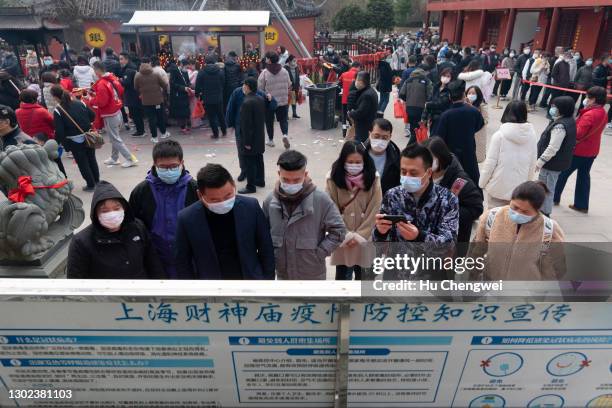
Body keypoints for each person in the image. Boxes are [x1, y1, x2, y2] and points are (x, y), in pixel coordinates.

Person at [175, 163, 275, 279]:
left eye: (228, 196)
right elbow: (182, 261)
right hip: (212, 287)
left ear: (234, 186)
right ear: (200, 195)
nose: (222, 202)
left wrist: (267, 283)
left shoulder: (251, 207)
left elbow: (266, 249)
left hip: (249, 281)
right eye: (214, 200)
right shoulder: (187, 218)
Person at [263, 150, 346, 279]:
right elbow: (263, 235)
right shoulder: (270, 201)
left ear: (305, 174)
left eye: (296, 180)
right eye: (285, 179)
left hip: (312, 275)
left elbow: (339, 231)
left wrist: (319, 253)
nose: (291, 184)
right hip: (283, 275)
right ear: (279, 174)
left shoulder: (320, 200)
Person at [67, 181, 165, 279]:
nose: (112, 214)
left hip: (140, 290)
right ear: (95, 213)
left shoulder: (137, 227)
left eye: (116, 208)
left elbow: (153, 262)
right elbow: (76, 280)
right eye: (105, 211)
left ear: (124, 209)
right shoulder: (81, 242)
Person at [469, 181, 565, 281]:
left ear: (537, 210)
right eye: (515, 207)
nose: (517, 213)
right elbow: (476, 251)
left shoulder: (549, 231)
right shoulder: (491, 217)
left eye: (525, 211)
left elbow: (556, 267)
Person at [129, 140, 198, 278]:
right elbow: (133, 225)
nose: (169, 171)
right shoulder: (142, 191)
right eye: (163, 167)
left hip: (190, 259)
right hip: (155, 259)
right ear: (155, 165)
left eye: (173, 166)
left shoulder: (194, 189)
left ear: (182, 163)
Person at [373, 143, 459, 245]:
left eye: (414, 173)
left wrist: (419, 236)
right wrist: (380, 232)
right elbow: (378, 243)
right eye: (403, 172)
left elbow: (449, 244)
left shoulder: (447, 199)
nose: (407, 177)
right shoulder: (392, 195)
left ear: (429, 173)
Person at [326, 141, 382, 280]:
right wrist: (345, 235)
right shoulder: (332, 178)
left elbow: (375, 208)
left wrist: (360, 236)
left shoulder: (374, 178)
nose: (354, 165)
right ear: (343, 161)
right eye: (350, 161)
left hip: (366, 238)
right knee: (342, 277)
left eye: (358, 162)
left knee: (364, 277)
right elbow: (330, 209)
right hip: (342, 237)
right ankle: (342, 302)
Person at [554, 86, 608, 214]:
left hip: (579, 150)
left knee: (562, 174)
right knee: (584, 177)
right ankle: (581, 204)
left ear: (593, 99)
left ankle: (553, 198)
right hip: (592, 150)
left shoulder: (589, 114)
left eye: (588, 97)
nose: (586, 100)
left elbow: (578, 133)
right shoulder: (603, 113)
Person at [423, 136, 483, 246]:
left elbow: (477, 208)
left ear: (440, 158)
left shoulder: (460, 181)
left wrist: (448, 212)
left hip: (454, 241)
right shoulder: (425, 174)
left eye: (429, 159)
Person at [479, 100, 537, 209]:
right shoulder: (531, 135)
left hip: (498, 186)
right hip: (519, 189)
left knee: (494, 219)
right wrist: (527, 184)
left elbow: (490, 163)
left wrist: (482, 183)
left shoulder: (499, 135)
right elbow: (532, 163)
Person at [51, 85, 99, 191]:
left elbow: (60, 131)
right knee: (92, 159)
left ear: (55, 97)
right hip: (88, 136)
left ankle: (91, 184)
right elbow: (92, 115)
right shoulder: (79, 102)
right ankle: (97, 181)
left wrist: (63, 145)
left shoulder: (58, 110)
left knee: (82, 163)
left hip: (74, 140)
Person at [91, 61, 138, 168]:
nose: (93, 72)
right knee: (115, 137)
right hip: (116, 110)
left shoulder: (102, 83)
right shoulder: (110, 79)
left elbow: (102, 102)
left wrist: (92, 100)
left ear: (97, 70)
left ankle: (130, 159)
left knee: (115, 138)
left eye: (94, 70)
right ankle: (114, 158)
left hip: (110, 113)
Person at [436, 80, 484, 185]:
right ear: (463, 95)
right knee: (471, 180)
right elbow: (480, 125)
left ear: (450, 97)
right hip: (469, 151)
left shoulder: (446, 115)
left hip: (451, 154)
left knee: (452, 182)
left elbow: (439, 137)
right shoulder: (473, 111)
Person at [536, 96, 576, 216]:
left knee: (546, 189)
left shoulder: (560, 126)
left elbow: (553, 148)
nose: (552, 108)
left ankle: (545, 213)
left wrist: (540, 161)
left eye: (555, 106)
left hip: (552, 164)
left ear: (562, 109)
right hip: (558, 162)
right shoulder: (569, 120)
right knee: (547, 187)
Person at [238, 77, 267, 194]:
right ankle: (260, 180)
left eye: (244, 85)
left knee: (249, 161)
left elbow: (246, 125)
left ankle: (251, 186)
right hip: (259, 136)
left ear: (248, 86)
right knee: (259, 158)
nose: (243, 87)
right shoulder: (260, 99)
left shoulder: (247, 102)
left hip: (250, 138)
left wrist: (247, 142)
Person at [258, 52, 291, 149]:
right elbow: (289, 84)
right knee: (283, 120)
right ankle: (285, 135)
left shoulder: (264, 73)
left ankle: (271, 140)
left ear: (269, 60)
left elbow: (260, 88)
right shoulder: (285, 71)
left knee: (269, 121)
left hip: (269, 102)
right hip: (283, 101)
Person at [134, 57, 170, 143]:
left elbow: (135, 87)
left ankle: (154, 137)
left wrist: (142, 91)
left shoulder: (138, 75)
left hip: (146, 101)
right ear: (149, 63)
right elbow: (164, 84)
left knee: (151, 119)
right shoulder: (155, 73)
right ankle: (163, 133)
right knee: (160, 117)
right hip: (158, 100)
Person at [196, 55, 227, 140]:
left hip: (207, 98)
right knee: (220, 115)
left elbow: (198, 85)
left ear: (205, 62)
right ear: (214, 62)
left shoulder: (202, 72)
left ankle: (215, 134)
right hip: (218, 97)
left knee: (211, 117)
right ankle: (224, 131)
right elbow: (223, 82)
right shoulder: (220, 71)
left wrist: (197, 94)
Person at [398, 66, 432, 141]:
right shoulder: (426, 80)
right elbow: (430, 95)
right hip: (422, 108)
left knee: (413, 127)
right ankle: (418, 142)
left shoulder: (408, 80)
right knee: (421, 127)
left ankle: (413, 141)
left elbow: (401, 94)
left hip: (409, 107)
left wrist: (408, 100)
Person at [347, 71, 378, 143]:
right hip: (367, 124)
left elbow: (360, 112)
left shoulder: (367, 95)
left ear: (361, 81)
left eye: (357, 80)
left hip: (364, 126)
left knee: (361, 144)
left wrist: (351, 113)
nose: (355, 82)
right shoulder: (369, 91)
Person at [119, 52, 145, 137]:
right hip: (134, 94)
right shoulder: (131, 67)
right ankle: (141, 130)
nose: (120, 61)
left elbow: (126, 82)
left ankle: (140, 131)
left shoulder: (129, 69)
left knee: (135, 113)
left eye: (121, 59)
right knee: (136, 113)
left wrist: (119, 80)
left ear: (126, 59)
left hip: (132, 95)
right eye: (120, 59)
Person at [424, 67, 452, 134]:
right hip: (433, 118)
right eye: (444, 75)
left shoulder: (450, 89)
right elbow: (429, 100)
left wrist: (429, 105)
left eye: (448, 76)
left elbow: (442, 103)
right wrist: (424, 118)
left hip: (444, 118)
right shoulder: (436, 87)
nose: (445, 78)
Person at [465, 85, 488, 163]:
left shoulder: (482, 106)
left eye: (473, 93)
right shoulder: (462, 105)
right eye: (469, 93)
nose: (471, 95)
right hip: (465, 136)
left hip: (477, 136)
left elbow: (485, 120)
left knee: (475, 160)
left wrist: (472, 108)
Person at [167, 61, 191, 134]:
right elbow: (172, 83)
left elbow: (187, 82)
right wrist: (183, 88)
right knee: (181, 112)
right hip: (178, 95)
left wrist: (189, 86)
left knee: (186, 111)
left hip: (185, 94)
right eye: (186, 66)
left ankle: (185, 126)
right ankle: (183, 127)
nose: (187, 68)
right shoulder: (175, 71)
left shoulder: (185, 72)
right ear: (181, 65)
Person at [338, 61, 360, 137]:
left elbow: (339, 82)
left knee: (344, 116)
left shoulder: (344, 74)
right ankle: (354, 130)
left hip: (344, 99)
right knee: (353, 116)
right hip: (354, 100)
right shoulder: (358, 75)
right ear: (358, 67)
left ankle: (344, 132)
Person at [284, 55, 301, 119]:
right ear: (290, 60)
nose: (295, 61)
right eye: (293, 60)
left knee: (293, 101)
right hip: (288, 87)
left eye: (295, 60)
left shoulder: (296, 67)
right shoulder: (286, 67)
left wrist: (299, 85)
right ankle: (286, 115)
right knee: (288, 101)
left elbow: (298, 76)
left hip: (295, 86)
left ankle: (294, 113)